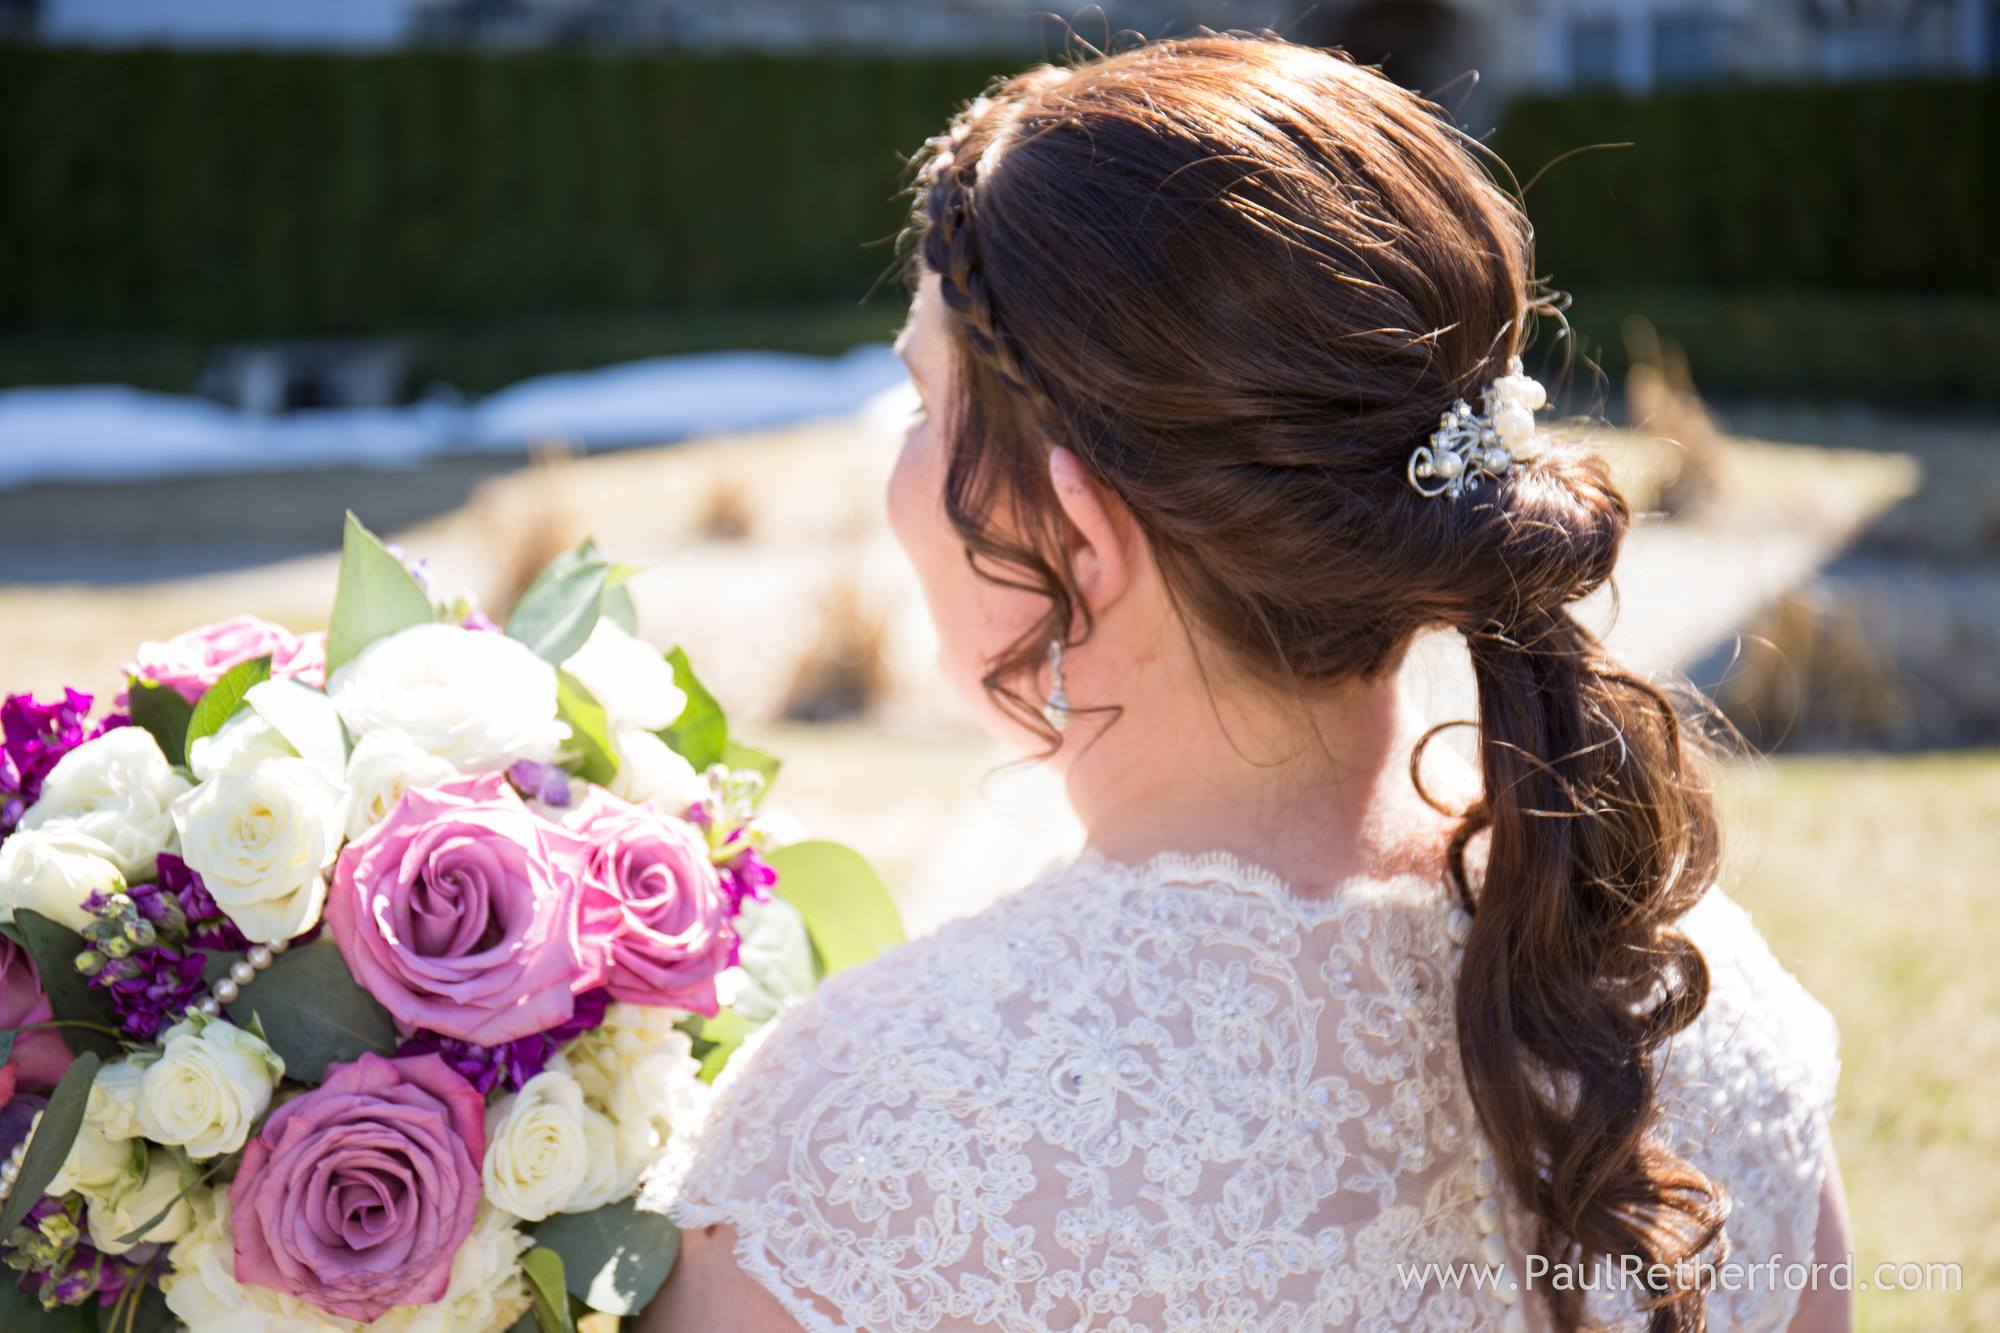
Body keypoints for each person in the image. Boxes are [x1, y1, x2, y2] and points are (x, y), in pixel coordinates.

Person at [645, 33, 1848, 1332]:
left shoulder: (850, 1153)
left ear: (1080, 537)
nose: (902, 466)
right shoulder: (1687, 1001)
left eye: (925, 407)